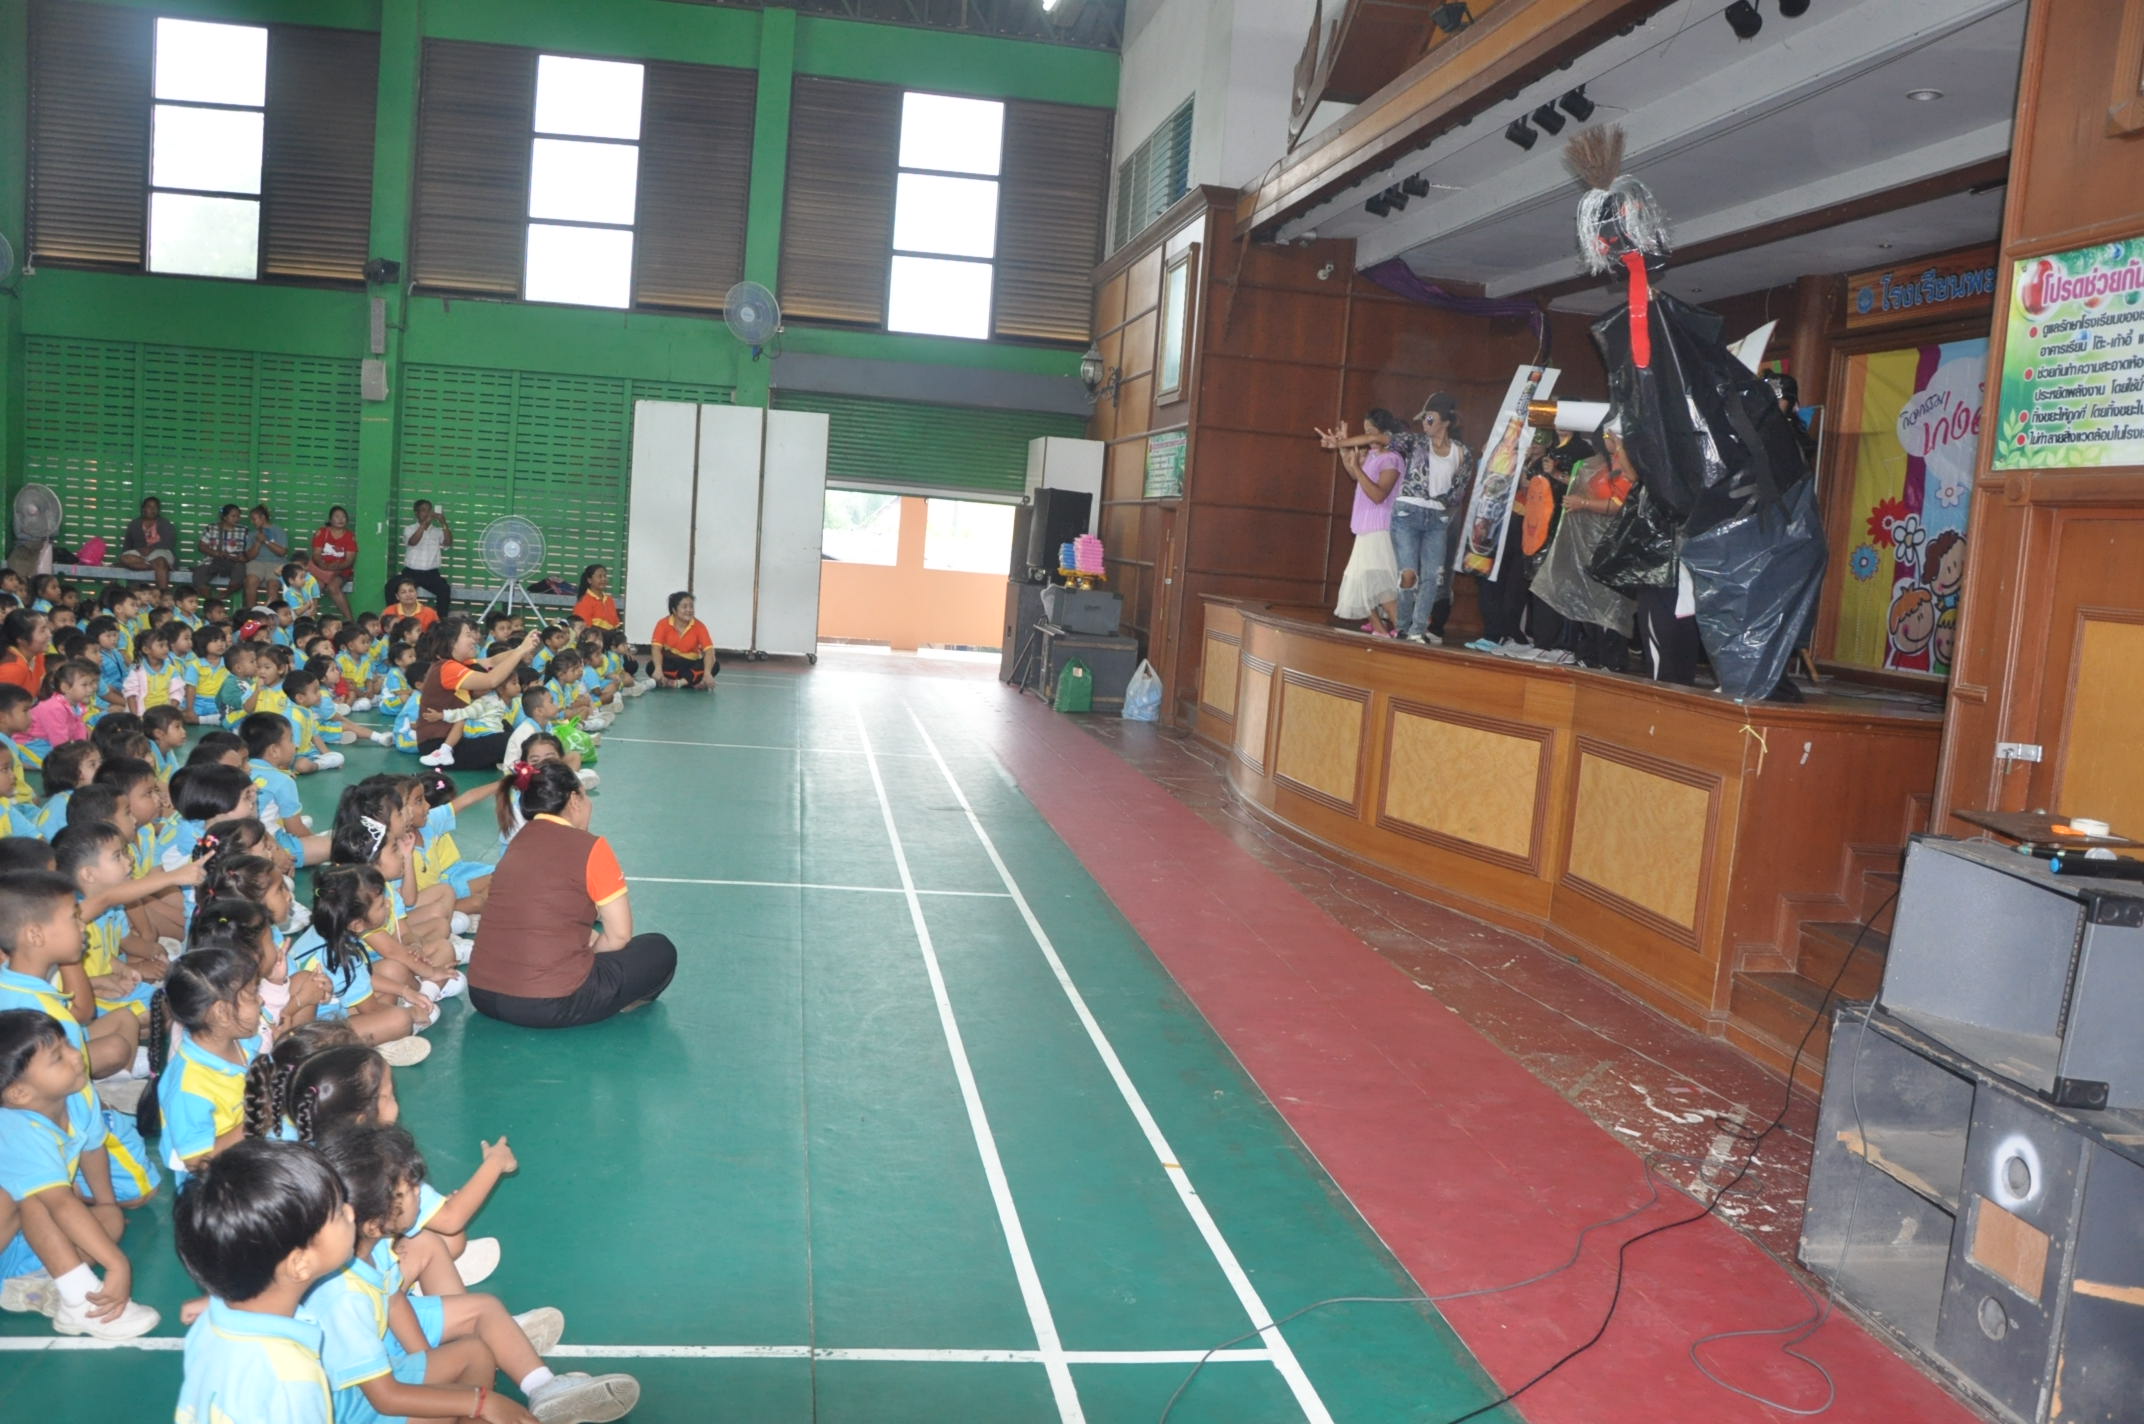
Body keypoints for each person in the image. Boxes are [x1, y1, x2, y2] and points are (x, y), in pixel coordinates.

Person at [468, 762, 675, 1029]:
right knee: (659, 949)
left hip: (482, 995)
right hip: (548, 1003)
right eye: (585, 795)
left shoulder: (517, 843)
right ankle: (621, 1002)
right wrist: (591, 957)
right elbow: (619, 936)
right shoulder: (591, 847)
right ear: (575, 799)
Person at [171, 1137, 354, 1423]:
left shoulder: (210, 1321)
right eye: (340, 1213)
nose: (352, 1212)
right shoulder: (291, 1382)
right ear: (300, 1264)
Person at [414, 618, 540, 770]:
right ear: (452, 642)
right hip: (439, 744)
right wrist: (520, 651)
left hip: (458, 736)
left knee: (506, 728)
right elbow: (491, 680)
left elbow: (492, 662)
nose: (474, 639)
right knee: (509, 741)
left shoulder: (457, 664)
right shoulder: (448, 668)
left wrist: (522, 649)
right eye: (468, 635)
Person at [1326, 413, 1404, 637]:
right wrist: (1344, 452)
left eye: (1370, 432)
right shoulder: (1372, 455)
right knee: (1362, 582)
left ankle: (1404, 634)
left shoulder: (1392, 459)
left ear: (1384, 433)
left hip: (1380, 528)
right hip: (1365, 527)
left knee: (1382, 586)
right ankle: (1381, 631)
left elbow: (1378, 495)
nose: (1366, 437)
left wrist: (1358, 468)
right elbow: (1354, 474)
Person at [394, 500, 453, 613]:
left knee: (444, 590)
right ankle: (395, 618)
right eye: (423, 510)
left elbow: (448, 543)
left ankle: (440, 620)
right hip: (411, 573)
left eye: (429, 510)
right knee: (391, 586)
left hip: (431, 574)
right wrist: (424, 524)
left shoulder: (438, 531)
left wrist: (443, 523)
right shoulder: (409, 529)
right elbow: (413, 542)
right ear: (416, 513)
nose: (427, 513)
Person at [650, 591, 717, 688]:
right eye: (684, 607)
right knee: (651, 666)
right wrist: (658, 669)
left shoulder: (699, 626)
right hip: (671, 663)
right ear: (674, 610)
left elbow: (709, 651)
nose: (689, 610)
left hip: (690, 664)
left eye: (691, 607)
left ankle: (679, 683)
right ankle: (691, 681)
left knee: (714, 665)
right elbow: (656, 648)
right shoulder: (663, 623)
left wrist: (707, 674)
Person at [306, 507, 357, 621]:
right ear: (330, 519)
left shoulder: (349, 536)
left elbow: (349, 560)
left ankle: (350, 620)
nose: (340, 519)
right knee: (315, 586)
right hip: (321, 569)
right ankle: (309, 618)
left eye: (343, 517)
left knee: (333, 587)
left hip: (340, 571)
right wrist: (324, 565)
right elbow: (316, 554)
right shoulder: (322, 532)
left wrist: (337, 566)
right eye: (337, 516)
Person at [117, 497, 177, 591]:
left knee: (161, 561)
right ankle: (151, 566)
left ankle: (162, 593)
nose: (152, 510)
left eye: (155, 507)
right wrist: (122, 560)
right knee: (125, 558)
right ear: (143, 509)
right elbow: (127, 544)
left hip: (160, 552)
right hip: (140, 555)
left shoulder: (165, 523)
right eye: (149, 506)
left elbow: (168, 543)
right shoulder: (134, 524)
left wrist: (151, 548)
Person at [240, 504, 290, 610]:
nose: (252, 522)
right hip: (257, 562)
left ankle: (272, 614)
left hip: (276, 562)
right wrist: (258, 542)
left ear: (263, 517)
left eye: (254, 519)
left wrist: (266, 541)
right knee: (250, 581)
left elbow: (282, 552)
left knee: (273, 585)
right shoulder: (252, 534)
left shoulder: (278, 531)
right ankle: (251, 612)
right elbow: (249, 556)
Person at [194, 504, 251, 593]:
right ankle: (208, 596)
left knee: (239, 573)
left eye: (238, 516)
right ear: (225, 517)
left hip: (234, 562)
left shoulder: (244, 530)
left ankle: (226, 593)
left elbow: (249, 550)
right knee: (199, 576)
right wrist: (217, 553)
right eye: (233, 516)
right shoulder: (211, 528)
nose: (237, 519)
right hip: (213, 560)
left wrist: (242, 558)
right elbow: (201, 546)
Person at [0, 608, 48, 695]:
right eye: (42, 631)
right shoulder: (11, 669)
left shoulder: (38, 655)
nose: (49, 634)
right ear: (21, 639)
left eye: (47, 628)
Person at [571, 565, 619, 631]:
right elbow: (584, 630)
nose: (603, 579)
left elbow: (615, 625)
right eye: (600, 576)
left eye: (605, 576)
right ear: (589, 580)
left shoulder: (609, 600)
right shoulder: (584, 601)